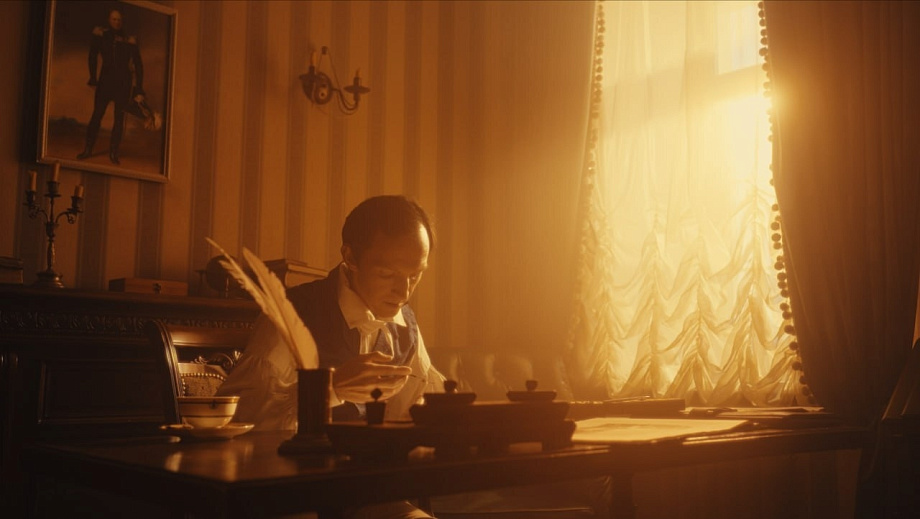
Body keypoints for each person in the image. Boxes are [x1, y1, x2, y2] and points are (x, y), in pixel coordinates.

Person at [218, 195, 445, 519]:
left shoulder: (405, 325)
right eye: (387, 273)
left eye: (416, 274)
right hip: (291, 494)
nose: (404, 291)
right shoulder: (294, 314)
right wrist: (330, 390)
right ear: (350, 257)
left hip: (370, 493)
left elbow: (423, 404)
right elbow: (240, 423)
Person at [76, 8, 144, 165]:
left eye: (119, 19)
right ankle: (88, 149)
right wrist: (93, 78)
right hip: (105, 81)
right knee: (97, 115)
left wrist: (139, 89)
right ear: (109, 20)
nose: (117, 22)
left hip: (123, 83)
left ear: (122, 21)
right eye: (114, 19)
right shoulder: (101, 35)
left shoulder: (129, 40)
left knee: (119, 119)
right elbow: (92, 55)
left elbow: (139, 65)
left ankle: (114, 152)